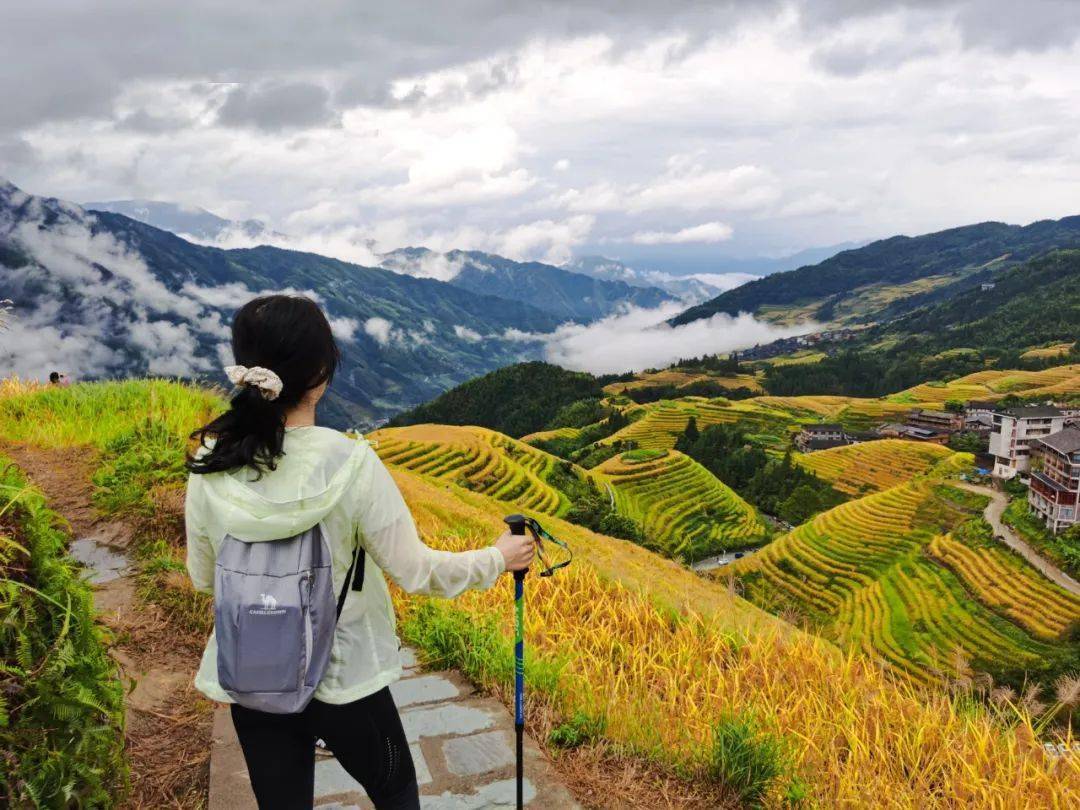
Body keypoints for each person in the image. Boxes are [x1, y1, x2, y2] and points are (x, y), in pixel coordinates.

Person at [184, 295, 535, 809]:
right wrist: (498, 559)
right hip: (345, 677)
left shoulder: (212, 461)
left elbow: (203, 576)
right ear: (321, 371)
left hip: (250, 674)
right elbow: (417, 572)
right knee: (394, 793)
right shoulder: (349, 462)